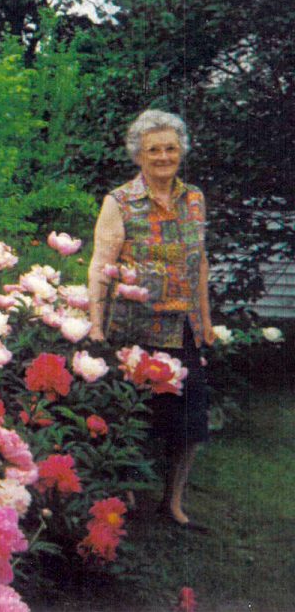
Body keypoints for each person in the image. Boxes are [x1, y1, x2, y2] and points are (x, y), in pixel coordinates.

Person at [87, 109, 215, 531]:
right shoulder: (120, 201)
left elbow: (199, 263)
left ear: (182, 152)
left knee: (192, 421)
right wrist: (96, 325)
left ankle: (173, 501)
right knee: (134, 418)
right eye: (153, 149)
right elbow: (100, 266)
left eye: (171, 148)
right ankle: (124, 498)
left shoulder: (194, 198)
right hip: (135, 328)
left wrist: (207, 321)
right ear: (138, 156)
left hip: (184, 329)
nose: (163, 156)